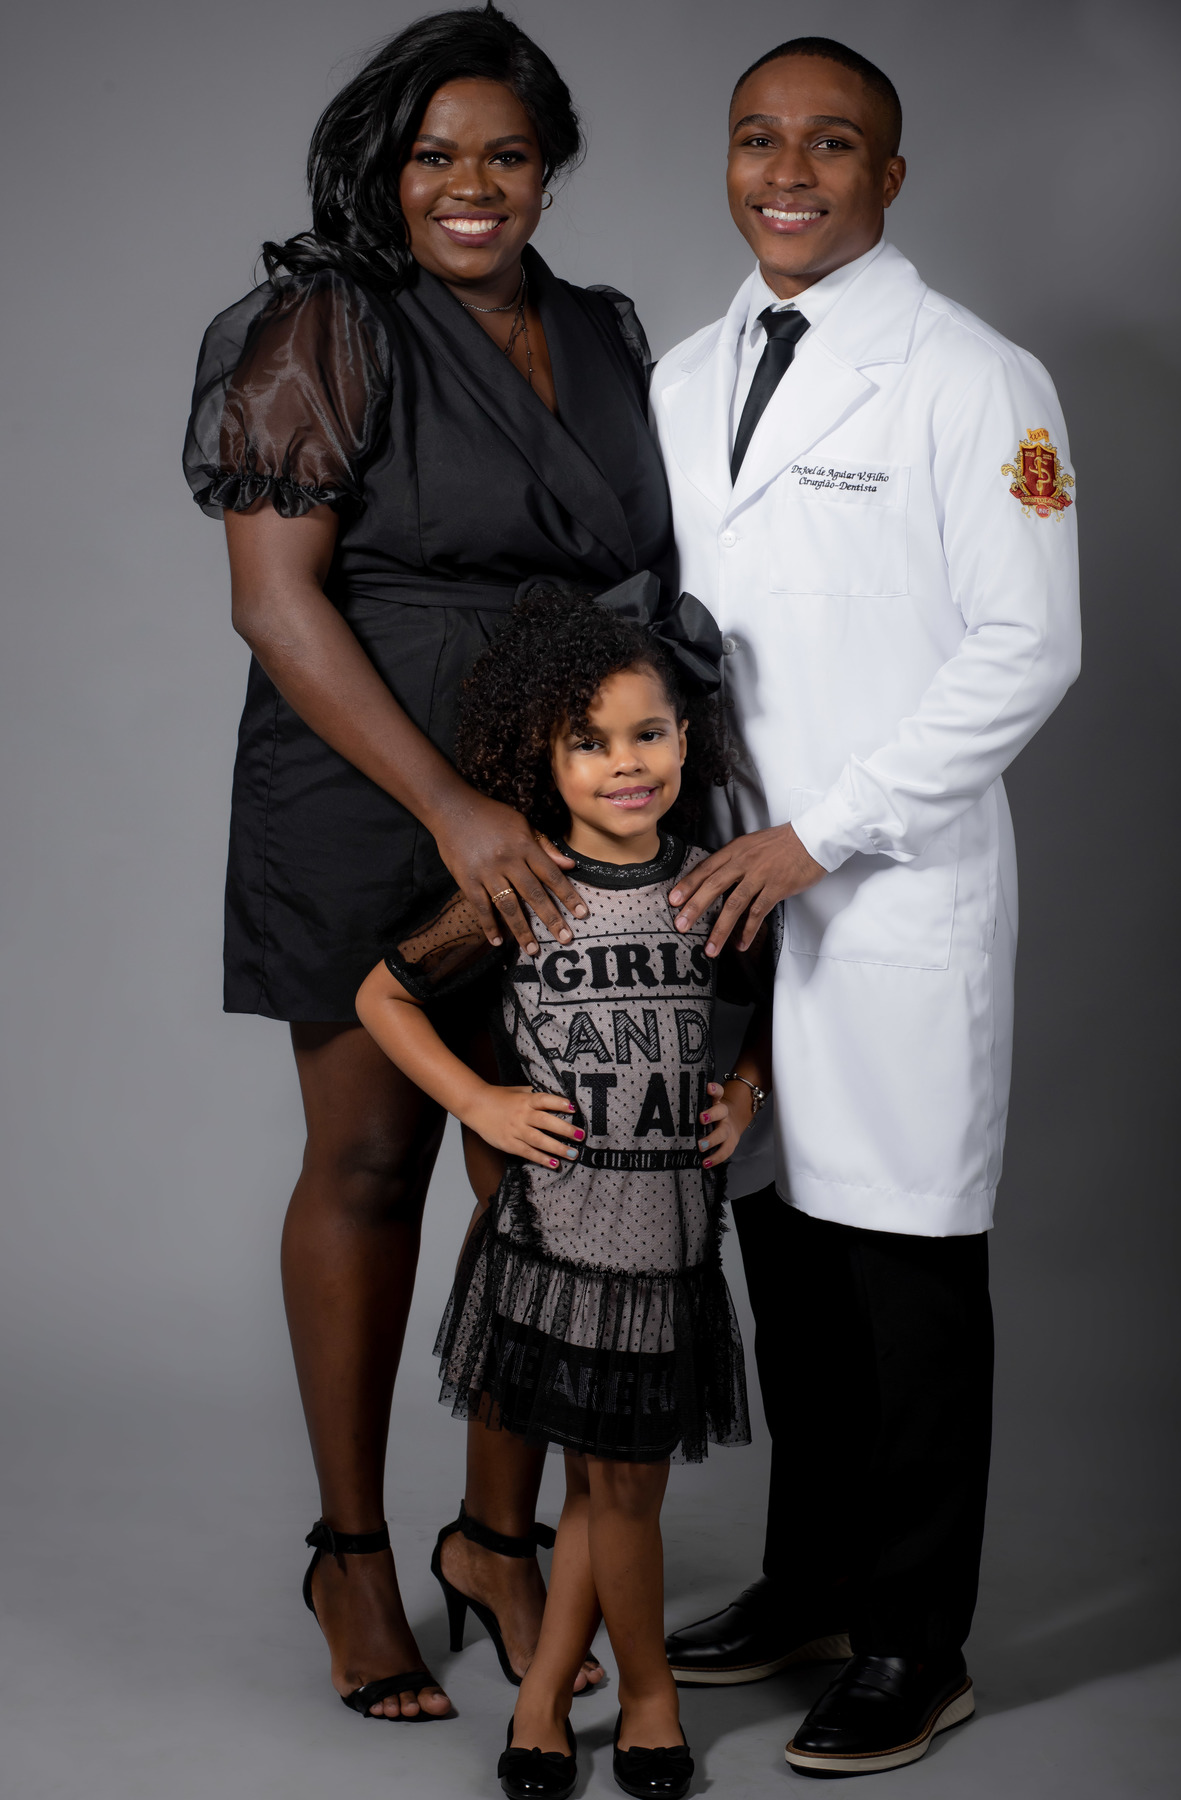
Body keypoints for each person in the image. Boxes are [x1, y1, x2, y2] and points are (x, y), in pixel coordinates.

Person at [182, 7, 674, 1722]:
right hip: (361, 784)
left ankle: (495, 1537)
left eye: (507, 155)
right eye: (433, 155)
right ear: (385, 171)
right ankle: (351, 1552)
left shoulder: (605, 330)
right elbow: (274, 602)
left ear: (551, 168)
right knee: (374, 1159)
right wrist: (452, 807)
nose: (471, 185)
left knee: (545, 1180)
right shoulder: (324, 322)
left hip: (563, 797)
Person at [650, 36, 1081, 1777]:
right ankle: (813, 1582)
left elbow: (1028, 648)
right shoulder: (687, 375)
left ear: (889, 177)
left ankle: (918, 1642)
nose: (789, 171)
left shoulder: (974, 377)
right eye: (758, 138)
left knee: (902, 1271)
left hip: (885, 890)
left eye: (832, 144)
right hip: (722, 886)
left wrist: (821, 835)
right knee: (784, 1255)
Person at [357, 583, 769, 1800]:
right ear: (541, 759)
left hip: (669, 1252)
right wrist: (480, 1105)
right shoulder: (525, 888)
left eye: (648, 734)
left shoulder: (711, 890)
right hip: (556, 1247)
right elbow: (384, 994)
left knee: (609, 1484)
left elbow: (775, 1012)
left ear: (687, 740)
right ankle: (648, 1697)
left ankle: (545, 1695)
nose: (625, 763)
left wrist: (745, 1091)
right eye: (589, 743)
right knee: (611, 1485)